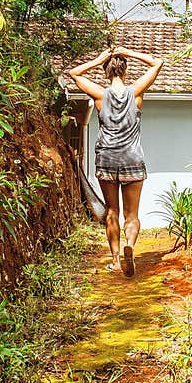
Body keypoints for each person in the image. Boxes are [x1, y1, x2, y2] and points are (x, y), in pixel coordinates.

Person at [66, 46, 164, 276]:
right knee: (132, 215)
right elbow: (157, 62)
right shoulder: (136, 91)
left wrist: (97, 58)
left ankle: (117, 261)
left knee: (112, 211)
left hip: (107, 159)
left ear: (106, 72)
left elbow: (74, 73)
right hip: (132, 158)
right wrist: (129, 52)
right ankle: (130, 243)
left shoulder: (100, 95)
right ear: (126, 71)